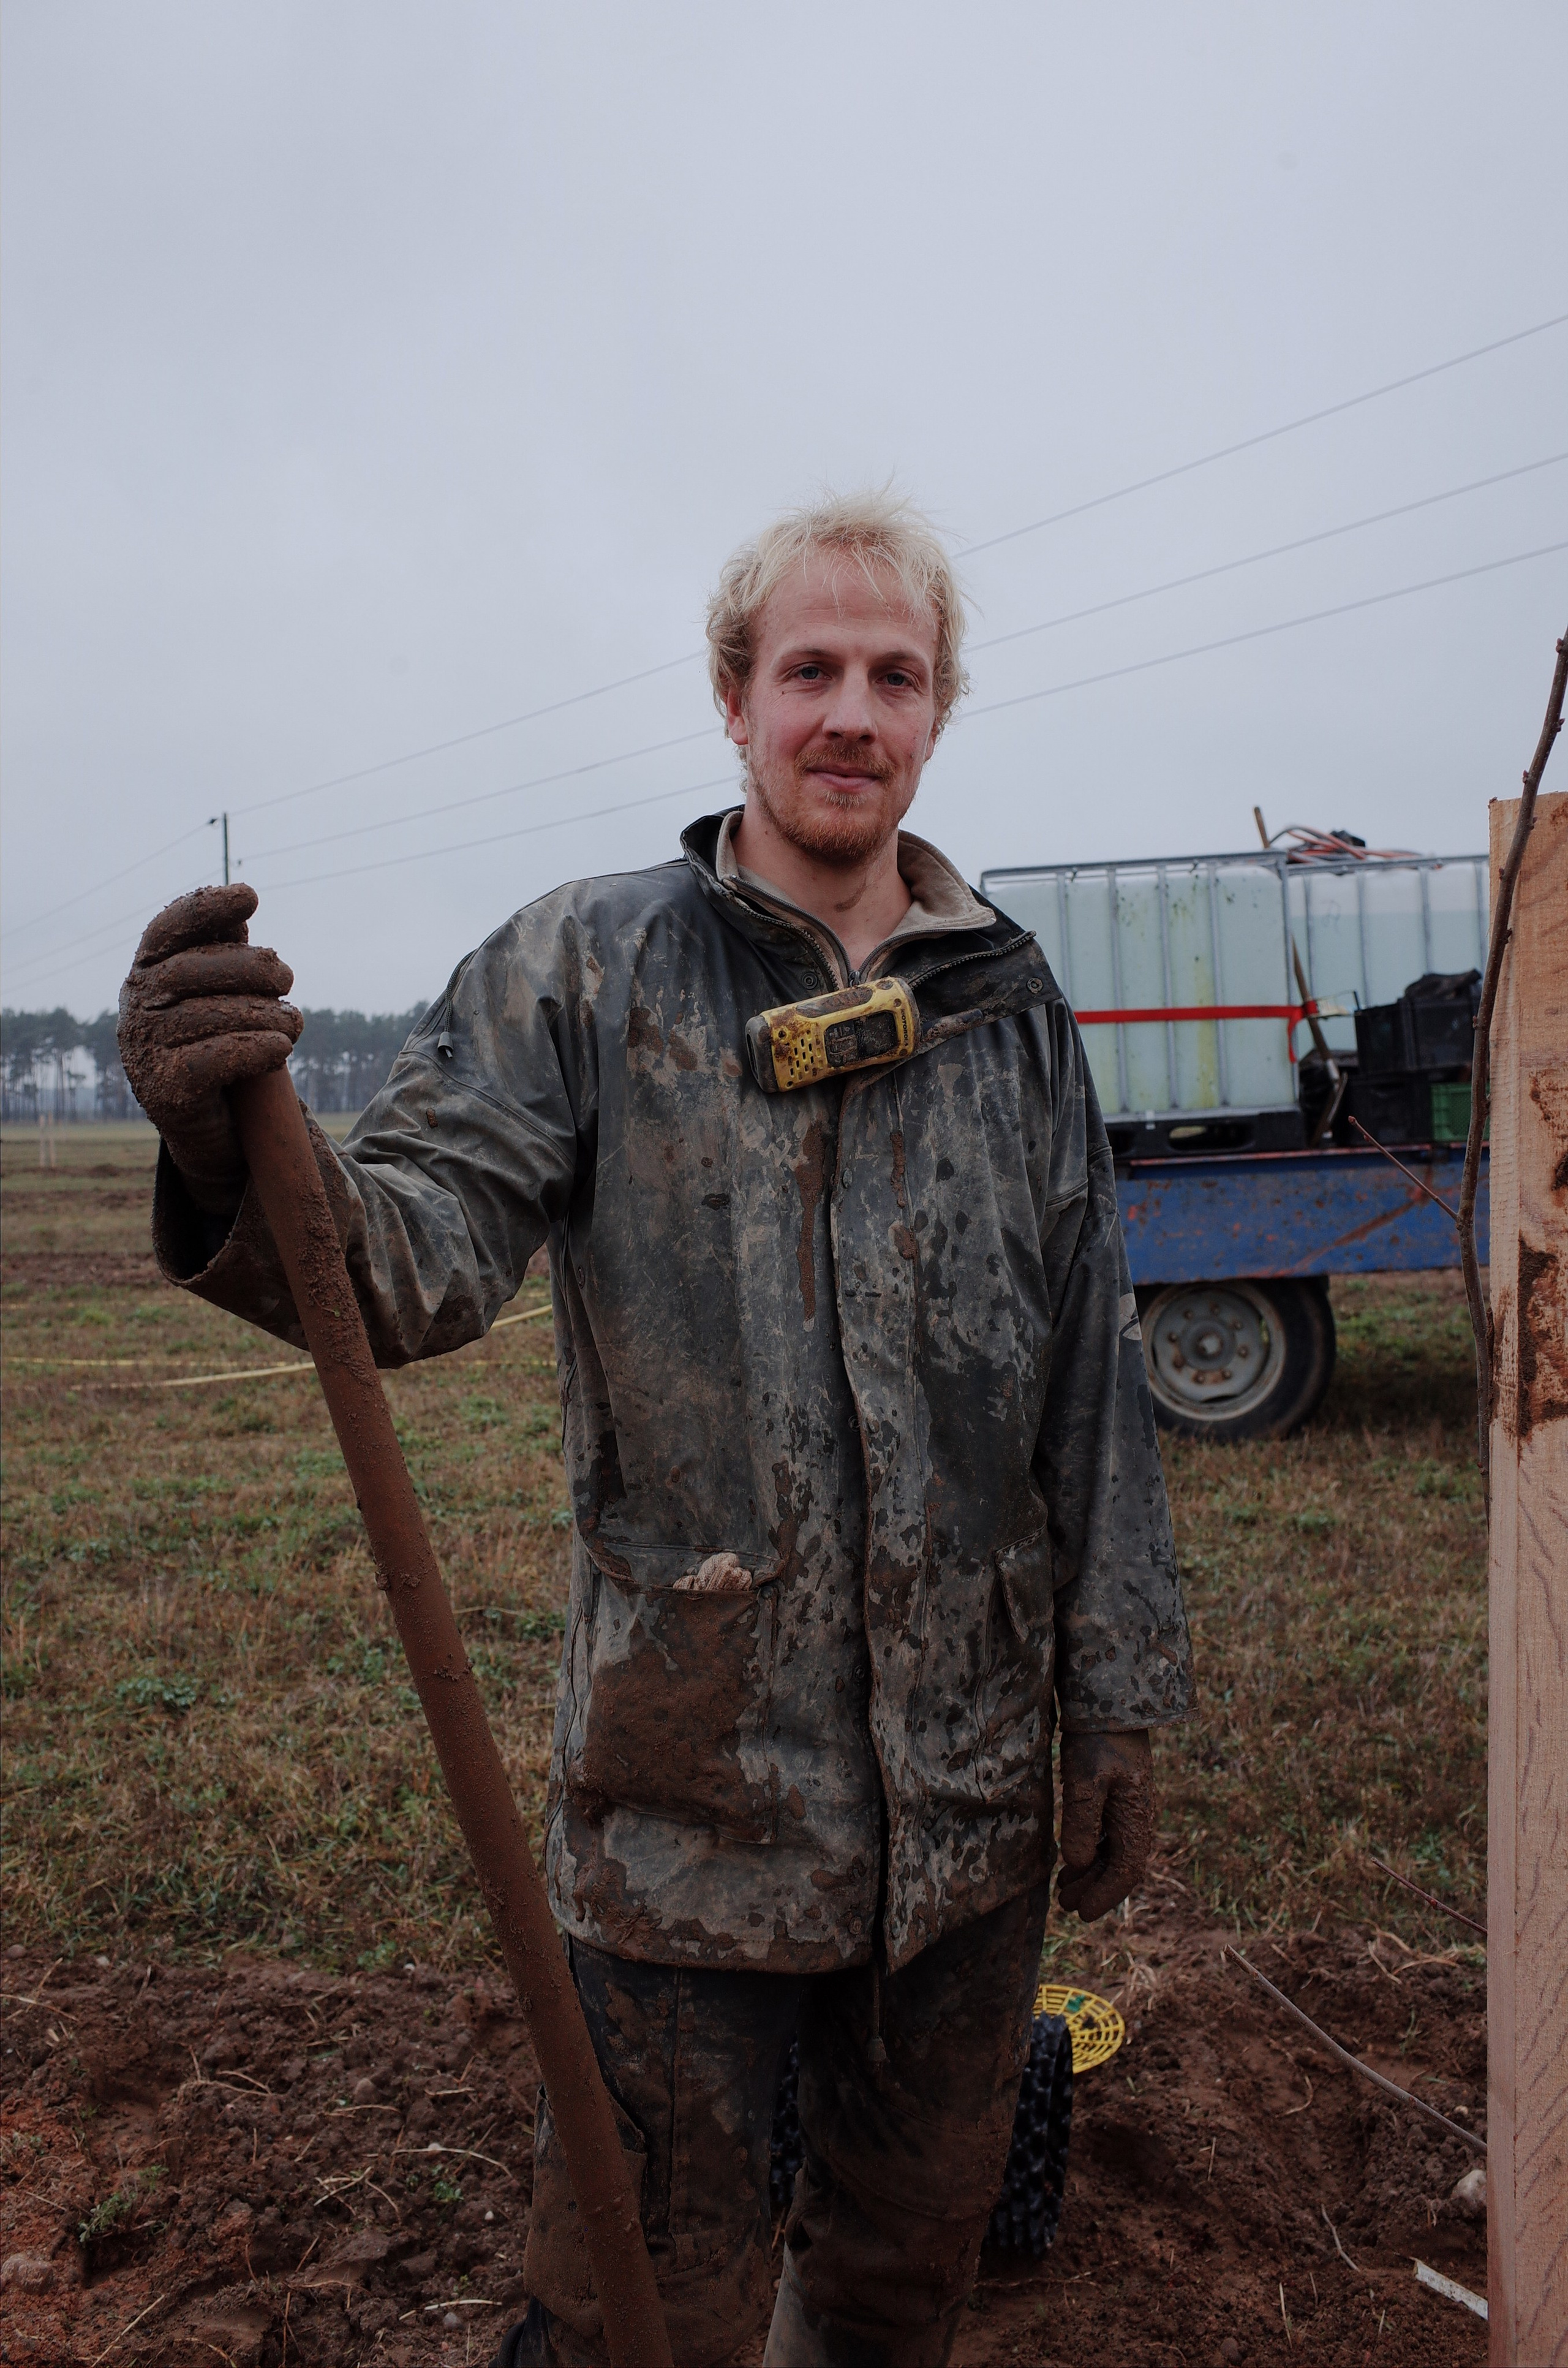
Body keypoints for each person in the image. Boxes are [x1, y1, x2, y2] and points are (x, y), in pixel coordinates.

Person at [119, 492, 1191, 2367]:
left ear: (937, 713)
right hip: (691, 1806)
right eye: (811, 671)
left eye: (895, 674)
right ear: (732, 699)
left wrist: (1116, 1691)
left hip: (968, 1805)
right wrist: (241, 1152)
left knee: (893, 2285)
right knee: (638, 2299)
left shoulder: (1012, 1013)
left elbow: (1089, 1375)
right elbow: (414, 1255)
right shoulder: (591, 972)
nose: (851, 712)